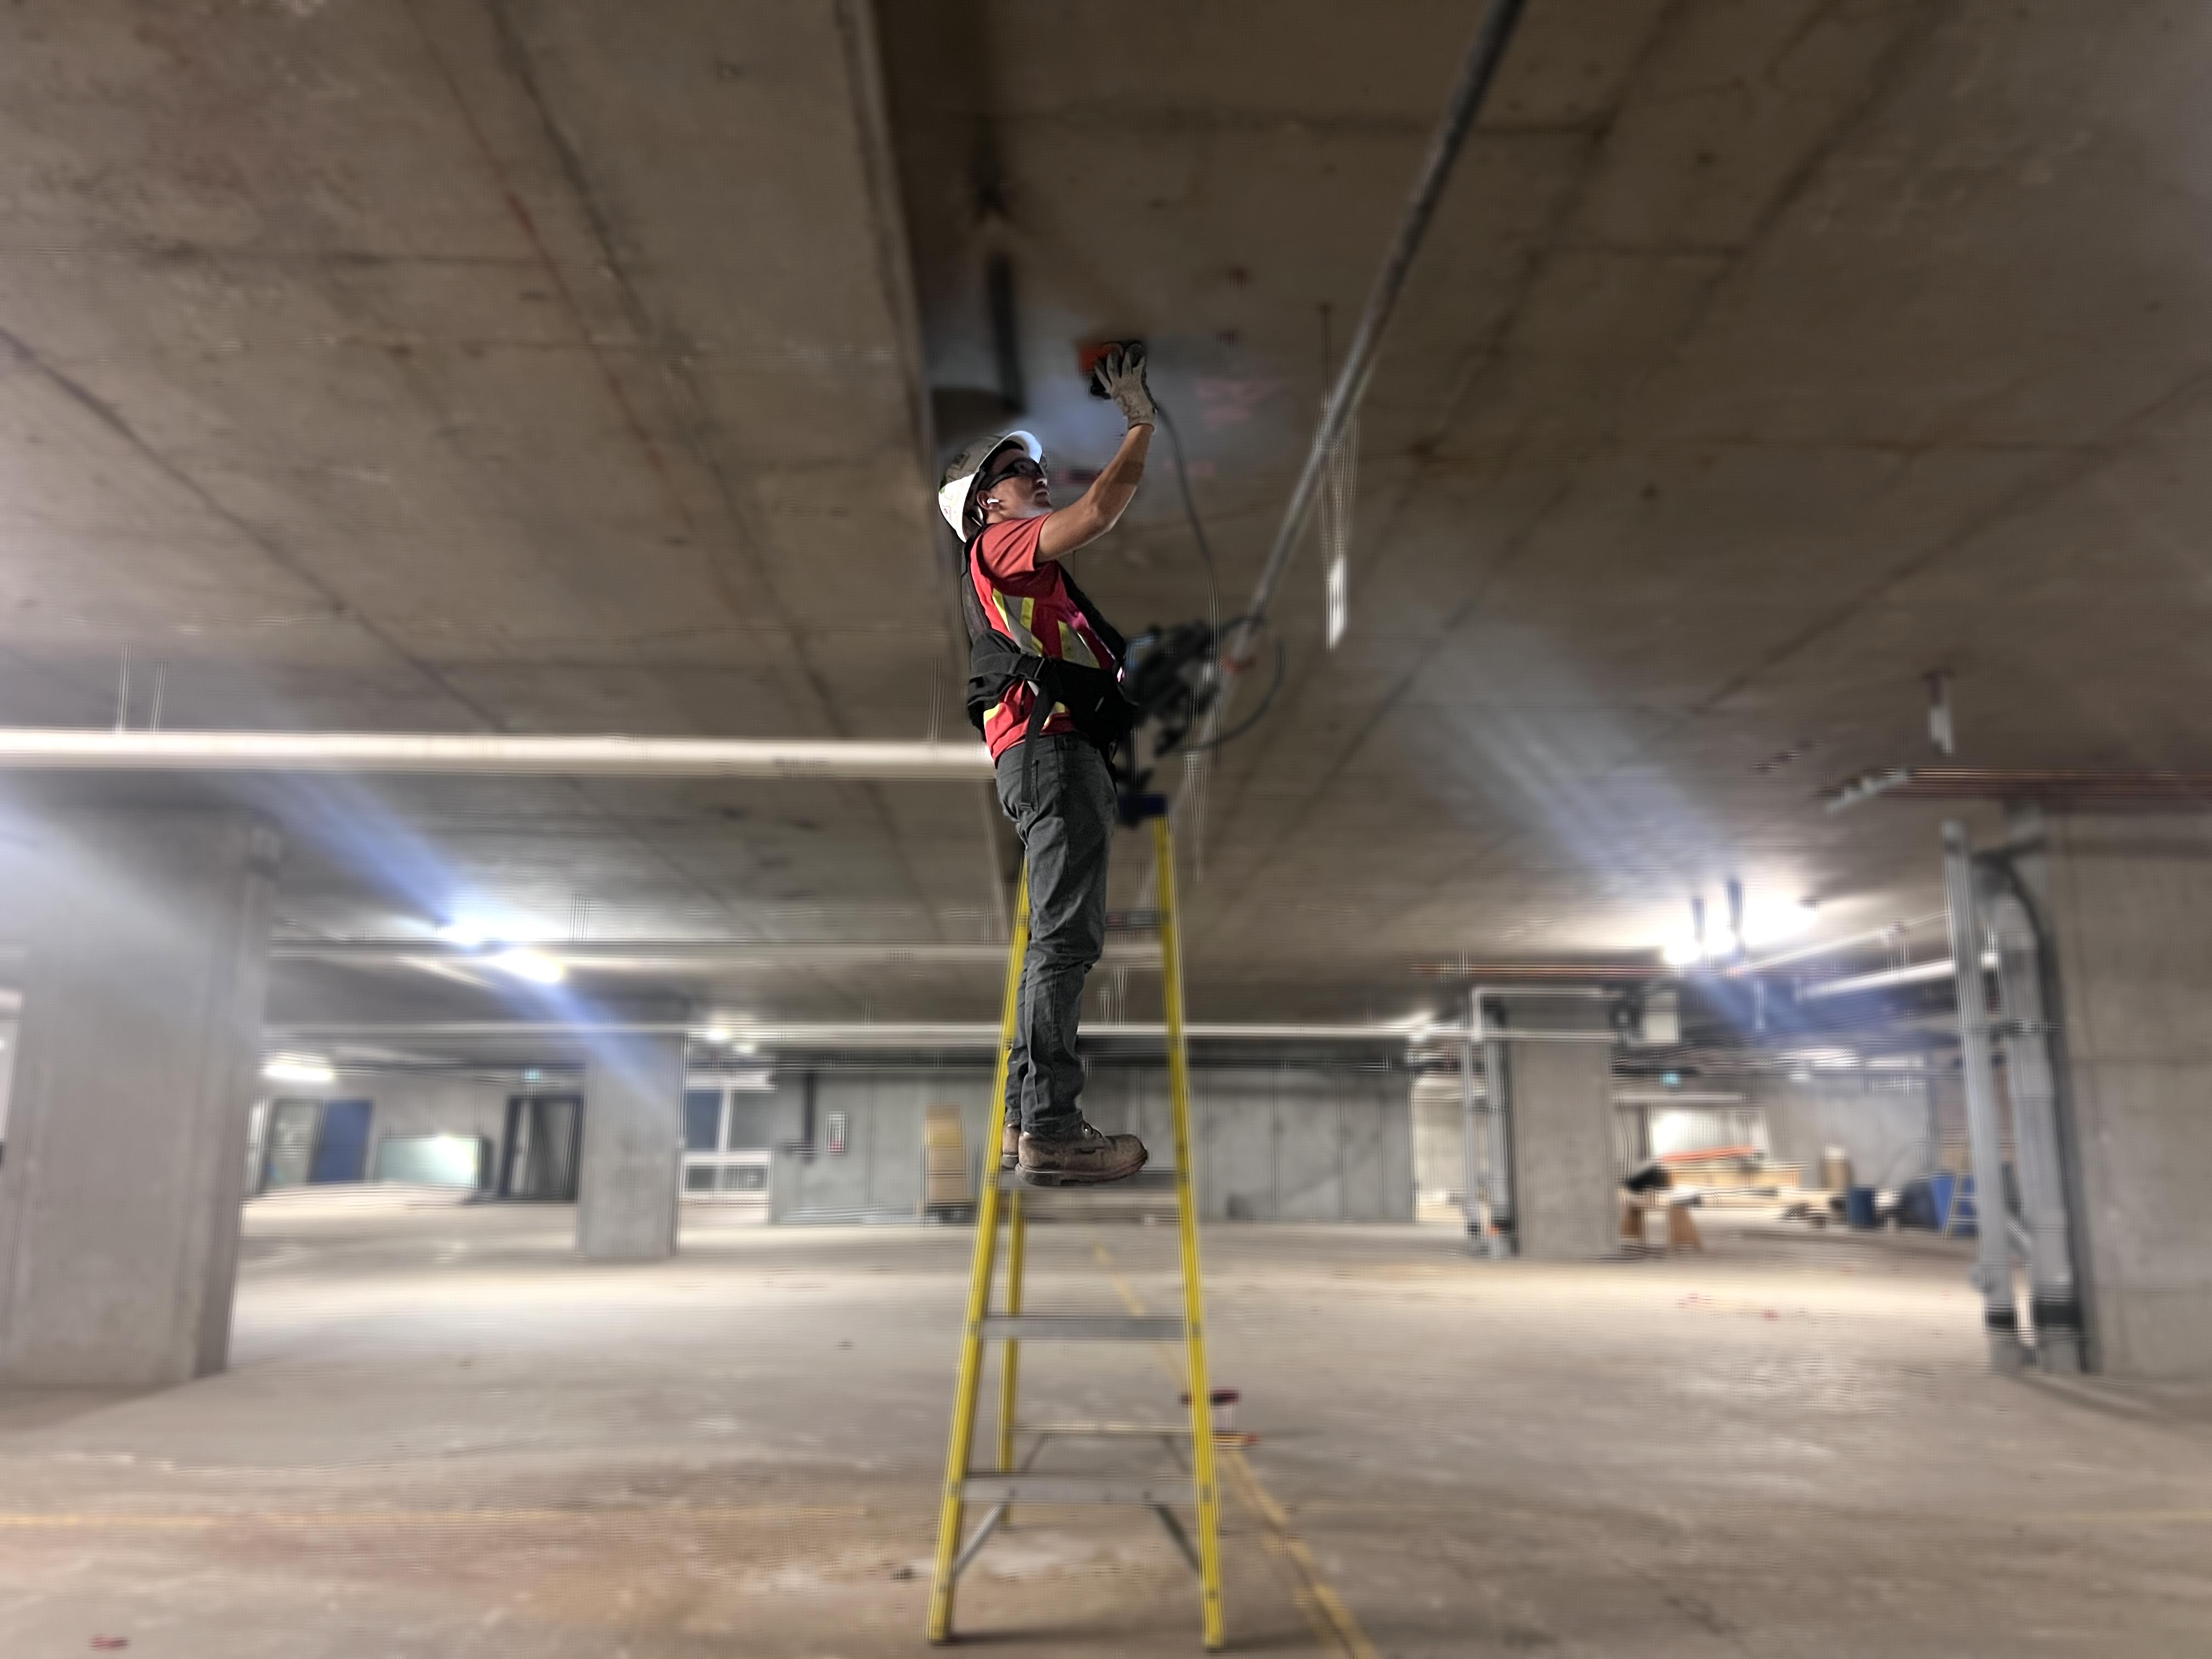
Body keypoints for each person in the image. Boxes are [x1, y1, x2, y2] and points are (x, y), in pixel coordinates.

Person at [936, 347, 1159, 1185]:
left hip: (1055, 756)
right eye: (1016, 471)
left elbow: (1094, 662)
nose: (1036, 477)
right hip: (1053, 755)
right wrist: (1140, 419)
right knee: (1066, 943)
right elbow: (1101, 507)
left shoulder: (1042, 590)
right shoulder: (1000, 546)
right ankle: (1053, 1130)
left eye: (1033, 468)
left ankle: (1023, 1121)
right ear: (982, 504)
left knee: (1054, 945)